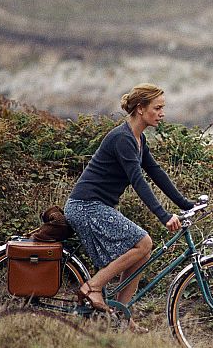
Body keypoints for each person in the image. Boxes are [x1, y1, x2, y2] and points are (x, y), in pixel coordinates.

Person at [64, 84, 195, 327]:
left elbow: (155, 173)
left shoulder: (138, 139)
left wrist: (186, 204)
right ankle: (92, 286)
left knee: (141, 255)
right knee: (143, 242)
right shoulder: (122, 138)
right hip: (85, 206)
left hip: (99, 206)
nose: (162, 113)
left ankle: (122, 317)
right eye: (157, 108)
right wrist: (164, 215)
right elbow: (137, 179)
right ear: (140, 109)